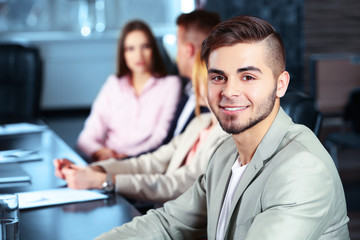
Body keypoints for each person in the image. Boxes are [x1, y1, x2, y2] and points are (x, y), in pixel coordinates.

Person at [95, 16, 350, 239]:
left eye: (248, 77)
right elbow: (168, 223)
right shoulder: (225, 154)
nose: (229, 91)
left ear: (280, 84)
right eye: (218, 77)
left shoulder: (303, 168)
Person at [53, 52, 229, 203]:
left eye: (195, 79)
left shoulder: (226, 135)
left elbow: (180, 183)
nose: (191, 87)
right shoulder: (200, 123)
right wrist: (96, 170)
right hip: (162, 215)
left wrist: (104, 181)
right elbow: (151, 161)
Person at [76, 20, 181, 162]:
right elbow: (86, 137)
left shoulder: (170, 84)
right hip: (106, 159)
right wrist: (100, 152)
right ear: (123, 54)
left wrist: (125, 157)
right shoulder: (113, 84)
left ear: (154, 50)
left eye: (145, 47)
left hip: (142, 161)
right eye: (130, 49)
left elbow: (160, 137)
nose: (139, 55)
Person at [162, 9, 221, 144]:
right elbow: (167, 148)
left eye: (178, 45)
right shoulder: (187, 89)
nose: (177, 54)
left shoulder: (214, 105)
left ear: (189, 49)